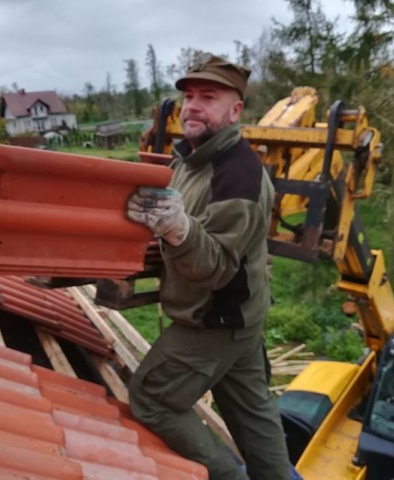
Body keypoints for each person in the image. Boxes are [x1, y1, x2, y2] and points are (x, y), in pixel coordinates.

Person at [126, 53, 291, 480]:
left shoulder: (239, 177)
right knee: (253, 416)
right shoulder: (189, 159)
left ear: (235, 111)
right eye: (189, 96)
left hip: (215, 316)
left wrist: (177, 228)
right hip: (243, 315)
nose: (192, 106)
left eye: (208, 97)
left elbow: (216, 267)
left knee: (152, 398)